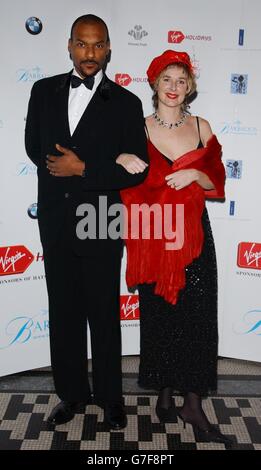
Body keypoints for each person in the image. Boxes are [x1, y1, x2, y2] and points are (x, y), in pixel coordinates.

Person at [25, 14, 148, 428]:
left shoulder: (128, 104)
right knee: (64, 312)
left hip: (101, 216)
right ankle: (71, 394)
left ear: (109, 48)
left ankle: (111, 399)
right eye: (82, 44)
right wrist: (61, 169)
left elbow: (138, 169)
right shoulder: (43, 92)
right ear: (70, 46)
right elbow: (33, 147)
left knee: (103, 313)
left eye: (98, 45)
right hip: (57, 218)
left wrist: (83, 170)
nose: (90, 53)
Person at [121, 50, 231, 444]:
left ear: (191, 88)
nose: (174, 87)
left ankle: (192, 402)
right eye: (167, 79)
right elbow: (115, 168)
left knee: (198, 315)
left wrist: (195, 173)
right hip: (153, 236)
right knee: (160, 314)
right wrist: (122, 153)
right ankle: (164, 392)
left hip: (194, 235)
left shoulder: (201, 126)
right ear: (154, 83)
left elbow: (217, 181)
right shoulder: (138, 126)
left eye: (181, 81)